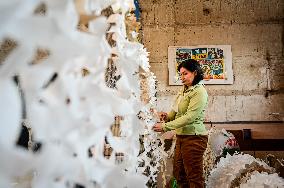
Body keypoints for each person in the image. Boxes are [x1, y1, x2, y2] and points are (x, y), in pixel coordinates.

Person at [153, 59, 208, 188]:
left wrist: (165, 127)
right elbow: (175, 112)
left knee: (194, 177)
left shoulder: (199, 92)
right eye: (180, 74)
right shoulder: (183, 91)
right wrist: (166, 117)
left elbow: (189, 117)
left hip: (194, 138)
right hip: (181, 137)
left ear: (195, 73)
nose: (182, 77)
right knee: (179, 174)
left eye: (185, 74)